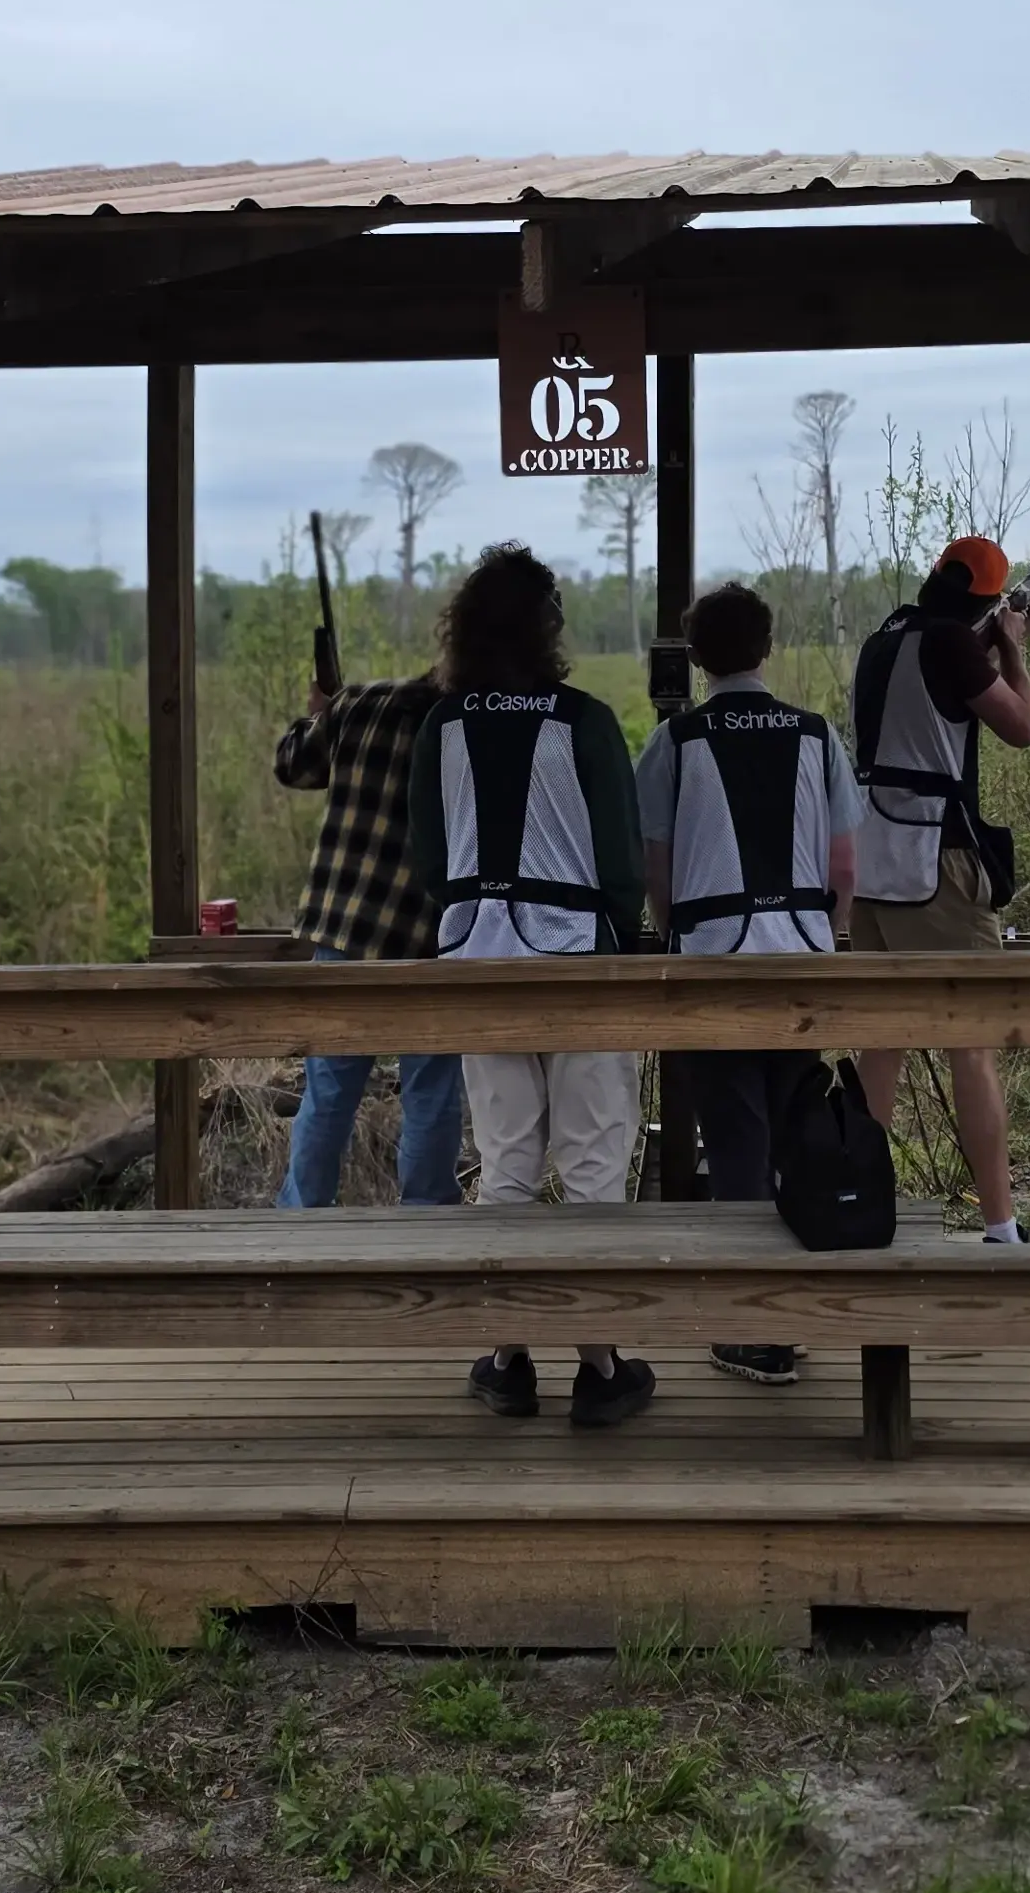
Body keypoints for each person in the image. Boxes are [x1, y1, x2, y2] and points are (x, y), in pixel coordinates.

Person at [409, 544, 656, 1427]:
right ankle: (600, 1361)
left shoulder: (442, 724)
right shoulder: (583, 719)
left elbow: (431, 860)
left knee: (508, 1154)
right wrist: (620, 936)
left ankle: (508, 1353)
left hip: (477, 955)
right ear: (546, 626)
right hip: (578, 950)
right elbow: (620, 855)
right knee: (593, 1152)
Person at [635, 581, 860, 1384]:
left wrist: (674, 933)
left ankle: (747, 1323)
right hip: (800, 956)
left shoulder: (675, 743)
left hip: (713, 961)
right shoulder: (816, 735)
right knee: (798, 1128)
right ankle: (792, 1309)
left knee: (734, 1140)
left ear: (696, 658)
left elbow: (655, 866)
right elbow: (842, 865)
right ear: (766, 648)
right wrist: (826, 936)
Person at [847, 533, 1030, 1242]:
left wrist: (1028, 620)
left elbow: (951, 673)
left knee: (879, 1040)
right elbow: (1022, 727)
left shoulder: (890, 635)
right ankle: (1001, 1226)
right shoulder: (952, 642)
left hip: (874, 857)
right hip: (935, 863)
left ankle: (860, 1199)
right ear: (984, 599)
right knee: (971, 1042)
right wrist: (1018, 647)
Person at [269, 633, 460, 1208]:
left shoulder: (361, 702)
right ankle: (427, 1221)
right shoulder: (465, 727)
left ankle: (302, 1221)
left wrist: (320, 712)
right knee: (431, 1091)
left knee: (328, 1089)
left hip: (344, 928)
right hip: (427, 936)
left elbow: (293, 766)